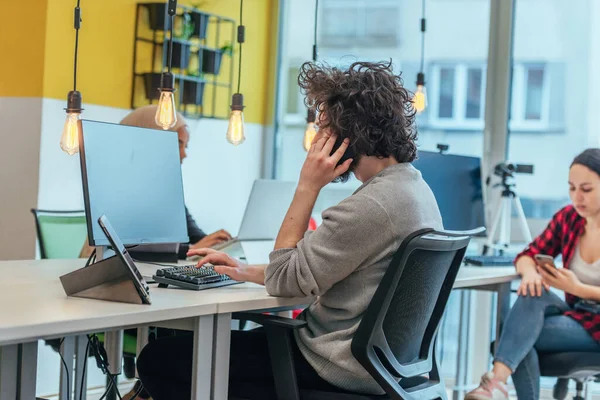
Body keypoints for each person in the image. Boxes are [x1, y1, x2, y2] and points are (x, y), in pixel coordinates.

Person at [135, 60, 443, 399]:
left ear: (348, 135)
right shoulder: (413, 189)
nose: (317, 140)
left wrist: (307, 186)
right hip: (380, 366)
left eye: (325, 128)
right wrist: (243, 270)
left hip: (331, 365)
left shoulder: (372, 206)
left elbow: (286, 278)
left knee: (158, 360)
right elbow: (317, 271)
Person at [466, 148, 600, 400]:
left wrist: (578, 288)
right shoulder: (569, 218)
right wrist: (530, 275)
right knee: (532, 297)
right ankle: (497, 384)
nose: (577, 197)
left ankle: (495, 383)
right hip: (577, 316)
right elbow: (528, 255)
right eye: (572, 188)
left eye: (586, 189)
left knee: (518, 338)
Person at [79, 105, 232, 259]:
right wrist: (190, 250)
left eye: (186, 145)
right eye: (178, 143)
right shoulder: (119, 191)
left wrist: (218, 244)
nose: (184, 153)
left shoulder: (165, 192)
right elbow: (124, 248)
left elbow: (194, 236)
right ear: (146, 139)